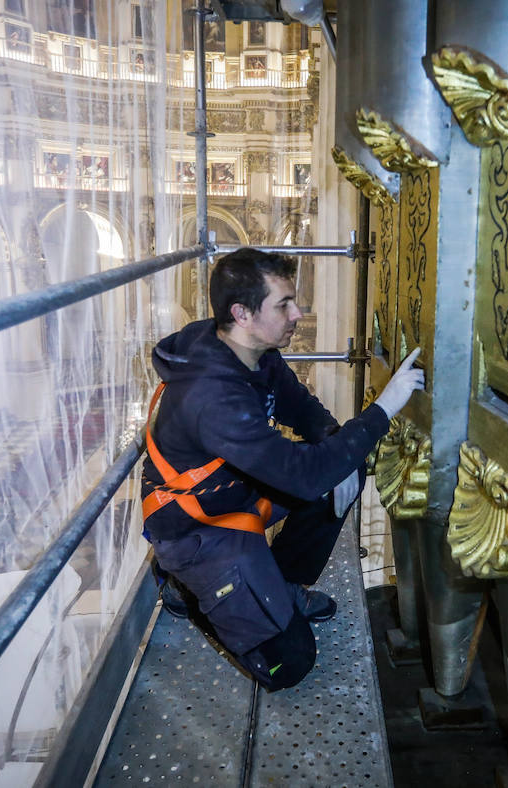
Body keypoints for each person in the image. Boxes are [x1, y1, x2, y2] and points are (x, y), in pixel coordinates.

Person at [140, 247, 424, 690]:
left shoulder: (253, 352)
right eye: (284, 304)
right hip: (197, 527)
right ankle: (187, 587)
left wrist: (334, 442)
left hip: (233, 493)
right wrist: (384, 408)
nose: (299, 312)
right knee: (290, 665)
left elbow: (304, 411)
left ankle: (280, 585)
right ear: (243, 313)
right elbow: (301, 475)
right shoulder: (212, 395)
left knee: (340, 471)